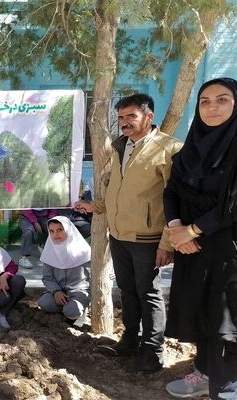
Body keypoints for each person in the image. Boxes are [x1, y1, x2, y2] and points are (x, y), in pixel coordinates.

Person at [74, 93, 182, 373]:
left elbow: (177, 199)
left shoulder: (169, 149)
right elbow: (118, 191)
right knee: (129, 293)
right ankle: (129, 341)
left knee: (149, 294)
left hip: (148, 239)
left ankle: (153, 352)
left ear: (148, 117)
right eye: (120, 117)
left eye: (130, 116)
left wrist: (167, 243)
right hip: (120, 236)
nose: (124, 122)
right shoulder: (121, 146)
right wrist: (96, 206)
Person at [163, 78, 237, 399]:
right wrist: (176, 227)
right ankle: (204, 374)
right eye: (205, 101)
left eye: (222, 99)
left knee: (225, 323)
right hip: (193, 248)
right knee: (200, 313)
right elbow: (172, 189)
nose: (212, 107)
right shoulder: (192, 145)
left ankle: (228, 392)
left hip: (230, 249)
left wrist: (191, 230)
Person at [37, 216, 91, 321]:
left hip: (79, 291)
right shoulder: (49, 251)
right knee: (44, 303)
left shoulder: (83, 250)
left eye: (60, 230)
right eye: (51, 231)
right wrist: (56, 291)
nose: (55, 234)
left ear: (68, 230)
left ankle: (75, 309)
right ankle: (68, 309)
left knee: (72, 311)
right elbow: (47, 278)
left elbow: (96, 273)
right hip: (58, 291)